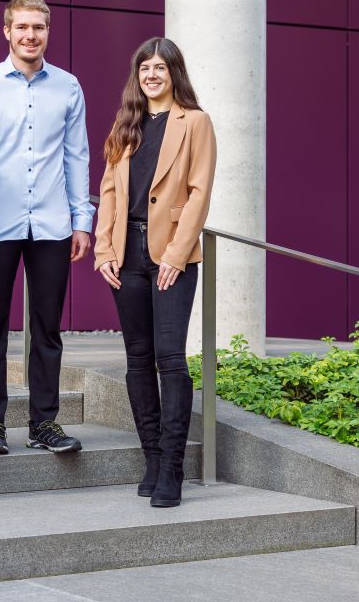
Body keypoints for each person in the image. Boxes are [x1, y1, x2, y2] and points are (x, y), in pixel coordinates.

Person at [0, 0, 94, 455]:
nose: (30, 35)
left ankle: (44, 423)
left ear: (47, 31)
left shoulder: (69, 87)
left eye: (38, 27)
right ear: (7, 31)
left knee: (47, 327)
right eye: (22, 27)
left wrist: (82, 220)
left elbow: (77, 155)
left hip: (53, 225)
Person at [93, 37, 216, 507]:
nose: (151, 75)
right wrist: (104, 249)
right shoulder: (127, 123)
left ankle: (173, 469)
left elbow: (199, 192)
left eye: (161, 67)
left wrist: (176, 255)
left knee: (170, 358)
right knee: (137, 359)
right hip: (126, 255)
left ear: (174, 73)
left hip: (170, 256)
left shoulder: (195, 122)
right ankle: (150, 459)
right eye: (144, 67)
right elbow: (107, 192)